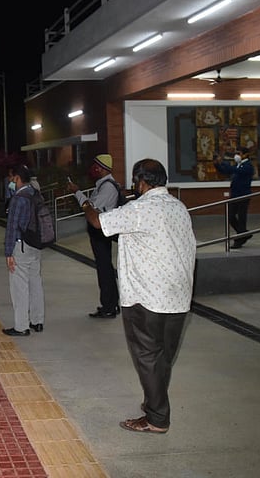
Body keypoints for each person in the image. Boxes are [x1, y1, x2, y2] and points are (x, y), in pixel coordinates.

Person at [81, 158, 196, 434]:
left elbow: (98, 222)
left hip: (147, 297)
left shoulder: (140, 208)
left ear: (141, 182)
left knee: (147, 356)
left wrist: (85, 203)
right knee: (162, 357)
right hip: (178, 296)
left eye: (136, 182)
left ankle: (157, 418)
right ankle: (153, 402)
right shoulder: (179, 208)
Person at [67, 154, 121, 319]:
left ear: (103, 168)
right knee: (105, 268)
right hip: (100, 231)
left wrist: (77, 192)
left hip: (101, 232)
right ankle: (111, 303)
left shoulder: (107, 188)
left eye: (96, 166)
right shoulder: (103, 185)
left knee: (104, 269)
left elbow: (92, 208)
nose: (93, 169)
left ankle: (109, 306)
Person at [2, 165, 45, 337]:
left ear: (18, 178)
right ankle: (38, 321)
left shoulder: (19, 198)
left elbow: (12, 227)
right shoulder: (36, 193)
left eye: (12, 179)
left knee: (19, 286)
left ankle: (21, 326)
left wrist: (8, 253)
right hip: (36, 245)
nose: (11, 182)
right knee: (35, 283)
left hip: (21, 245)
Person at [214, 147, 254, 248]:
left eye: (239, 153)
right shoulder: (238, 165)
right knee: (231, 216)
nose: (236, 155)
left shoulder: (248, 166)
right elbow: (226, 171)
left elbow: (232, 170)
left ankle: (240, 239)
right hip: (235, 195)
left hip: (243, 195)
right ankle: (244, 234)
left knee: (241, 218)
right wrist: (217, 164)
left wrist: (223, 162)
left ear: (245, 155)